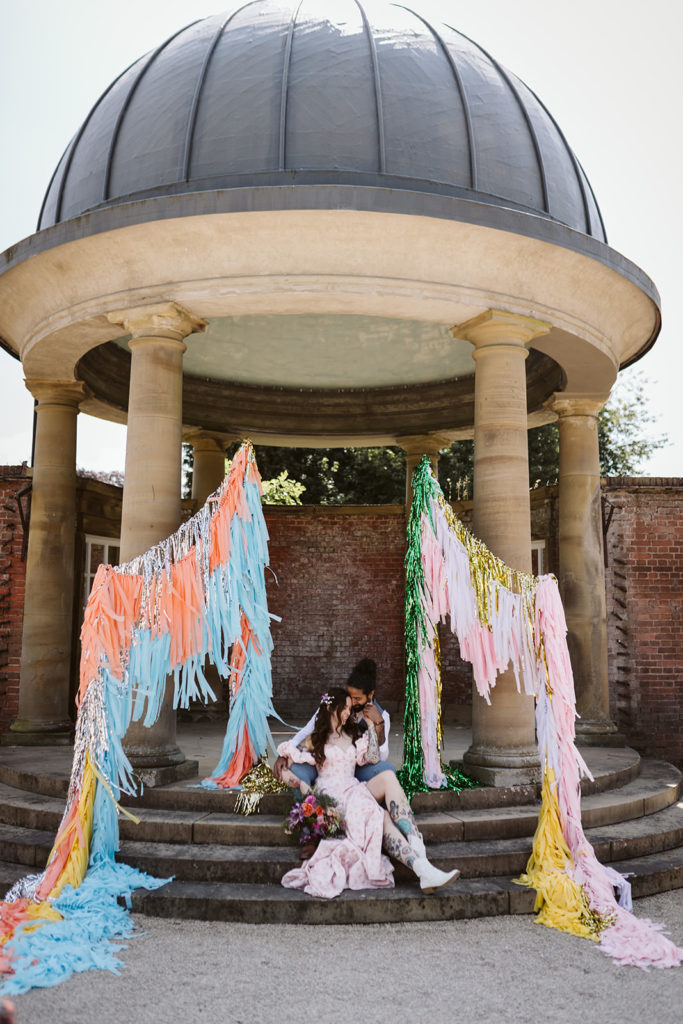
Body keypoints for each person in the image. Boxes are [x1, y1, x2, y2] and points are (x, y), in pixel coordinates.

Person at [278, 688, 460, 899]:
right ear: (331, 708)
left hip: (354, 788)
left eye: (349, 708)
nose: (348, 712)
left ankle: (416, 843)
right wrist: (299, 782)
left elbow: (373, 758)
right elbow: (287, 768)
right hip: (333, 796)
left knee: (388, 778)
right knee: (380, 817)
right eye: (344, 708)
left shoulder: (353, 734)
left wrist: (373, 727)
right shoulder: (315, 740)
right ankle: (422, 867)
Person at [273, 657, 395, 791]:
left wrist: (379, 725)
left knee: (387, 770)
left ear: (370, 694)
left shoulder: (382, 716)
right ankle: (309, 804)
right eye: (350, 696)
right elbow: (306, 732)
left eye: (357, 698)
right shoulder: (334, 708)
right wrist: (283, 754)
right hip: (326, 766)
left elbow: (381, 757)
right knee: (297, 769)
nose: (352, 703)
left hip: (358, 767)